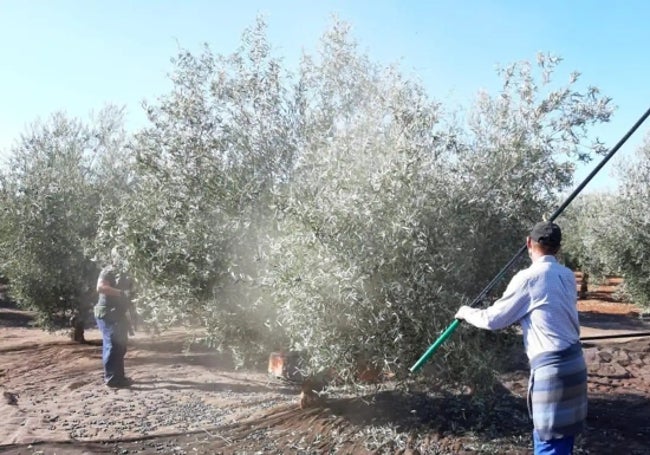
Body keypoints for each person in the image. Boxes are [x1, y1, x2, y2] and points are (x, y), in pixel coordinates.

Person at [455, 221, 587, 455]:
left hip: (552, 371)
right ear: (558, 248)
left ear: (528, 243)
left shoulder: (528, 278)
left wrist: (466, 312)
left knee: (548, 441)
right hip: (575, 366)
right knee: (563, 438)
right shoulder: (567, 275)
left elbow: (494, 319)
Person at [94, 262, 136, 388]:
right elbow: (101, 288)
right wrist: (122, 293)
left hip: (118, 314)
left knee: (120, 346)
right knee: (112, 345)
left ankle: (119, 377)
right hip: (107, 313)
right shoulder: (108, 271)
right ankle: (112, 379)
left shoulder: (128, 272)